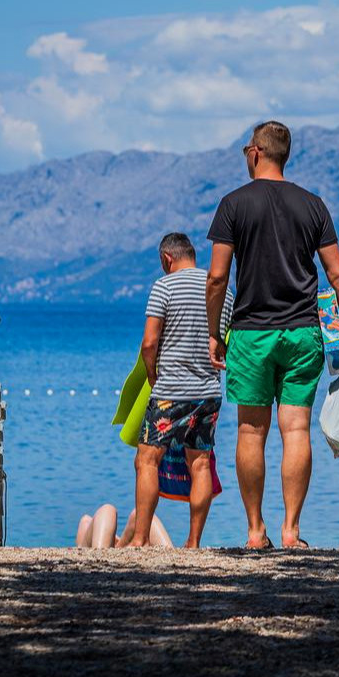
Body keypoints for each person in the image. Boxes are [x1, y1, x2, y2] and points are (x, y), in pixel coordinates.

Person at [207, 121, 339, 550]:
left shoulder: (233, 204)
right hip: (302, 332)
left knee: (250, 433)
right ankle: (291, 530)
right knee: (296, 431)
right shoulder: (313, 205)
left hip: (252, 334)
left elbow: (218, 277)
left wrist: (214, 333)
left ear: (256, 152)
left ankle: (256, 531)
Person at [127, 232, 232, 548]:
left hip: (171, 389)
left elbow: (149, 342)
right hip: (208, 391)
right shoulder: (223, 291)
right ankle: (193, 543)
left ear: (166, 259)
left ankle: (141, 539)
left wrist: (151, 375)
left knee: (146, 460)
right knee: (199, 463)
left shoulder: (164, 286)